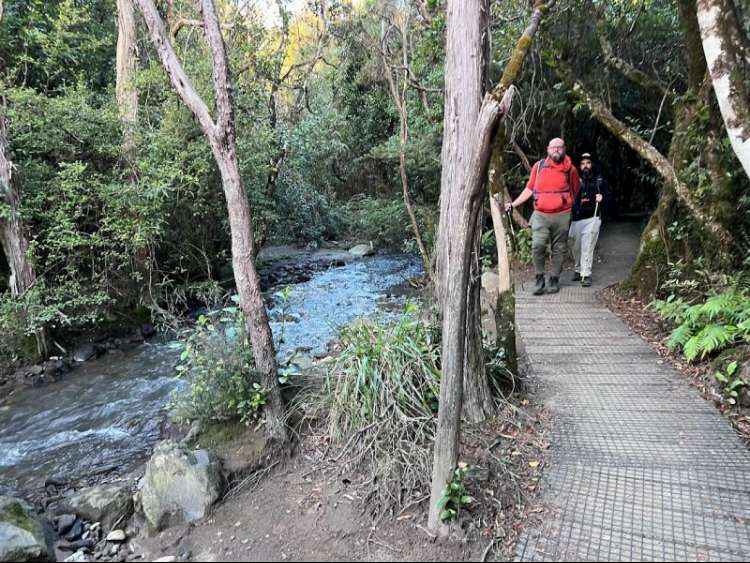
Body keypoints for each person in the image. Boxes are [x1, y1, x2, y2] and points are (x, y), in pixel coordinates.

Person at [506, 138, 580, 295]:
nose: (556, 150)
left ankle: (554, 279)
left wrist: (566, 203)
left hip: (562, 214)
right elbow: (529, 189)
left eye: (559, 147)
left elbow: (575, 190)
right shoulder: (539, 167)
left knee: (559, 248)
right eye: (553, 148)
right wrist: (513, 204)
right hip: (540, 214)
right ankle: (539, 279)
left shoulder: (570, 169)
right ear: (548, 149)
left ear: (564, 149)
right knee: (537, 245)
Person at [569, 152, 608, 287]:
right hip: (576, 218)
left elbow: (609, 197)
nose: (585, 166)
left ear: (592, 165)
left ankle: (586, 274)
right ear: (579, 166)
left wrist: (602, 198)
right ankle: (578, 268)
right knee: (574, 245)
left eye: (588, 163)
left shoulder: (599, 180)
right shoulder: (574, 179)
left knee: (587, 246)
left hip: (593, 217)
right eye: (583, 164)